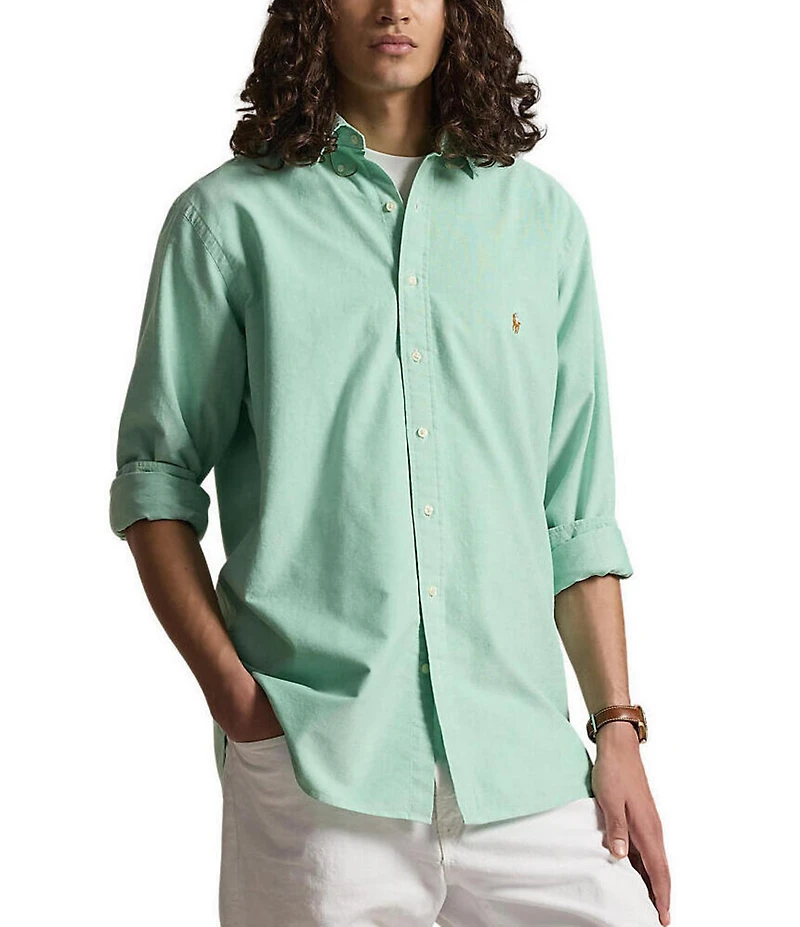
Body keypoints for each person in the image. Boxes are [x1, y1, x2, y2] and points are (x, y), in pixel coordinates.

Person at [108, 2, 671, 925]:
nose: (394, 7)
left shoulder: (543, 221)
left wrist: (617, 729)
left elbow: (574, 514)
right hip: (320, 768)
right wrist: (240, 704)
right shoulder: (228, 220)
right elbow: (155, 480)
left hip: (524, 761)